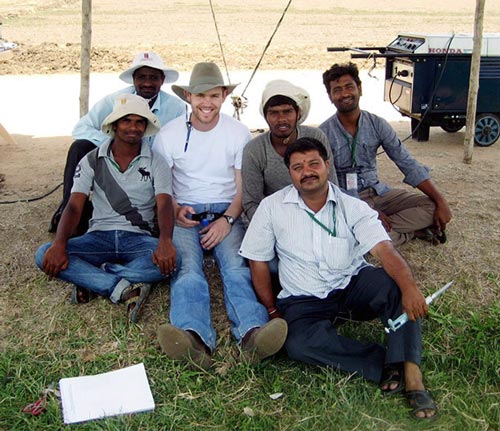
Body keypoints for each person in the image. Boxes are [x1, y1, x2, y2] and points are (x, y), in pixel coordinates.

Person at [240, 137, 438, 420]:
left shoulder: (352, 206)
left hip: (351, 284)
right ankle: (384, 362)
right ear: (290, 173)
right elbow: (257, 261)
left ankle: (413, 378)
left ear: (327, 165)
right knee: (297, 344)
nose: (307, 171)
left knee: (395, 288)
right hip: (302, 296)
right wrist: (272, 310)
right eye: (297, 167)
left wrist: (410, 287)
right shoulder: (272, 207)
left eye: (313, 163)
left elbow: (384, 250)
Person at [152, 62, 287, 369]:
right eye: (200, 96)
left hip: (227, 211)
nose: (207, 103)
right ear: (188, 96)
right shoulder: (169, 134)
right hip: (185, 212)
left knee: (237, 267)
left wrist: (227, 220)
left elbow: (244, 187)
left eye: (213, 95)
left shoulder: (238, 133)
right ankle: (193, 337)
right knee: (186, 270)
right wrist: (174, 210)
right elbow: (162, 187)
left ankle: (253, 332)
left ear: (224, 96)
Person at [35, 94, 177, 323]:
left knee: (173, 260)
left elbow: (164, 205)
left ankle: (93, 280)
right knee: (44, 254)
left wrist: (166, 242)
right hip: (98, 237)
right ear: (114, 125)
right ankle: (120, 287)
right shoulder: (91, 159)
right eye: (126, 121)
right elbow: (73, 206)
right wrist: (60, 243)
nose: (133, 127)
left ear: (145, 127)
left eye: (139, 122)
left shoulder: (156, 161)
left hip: (139, 240)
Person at [49, 51, 185, 235]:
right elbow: (81, 128)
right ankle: (70, 210)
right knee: (79, 147)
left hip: (155, 163)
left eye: (153, 77)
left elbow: (184, 141)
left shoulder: (177, 107)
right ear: (133, 79)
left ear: (162, 80)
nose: (147, 82)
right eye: (141, 77)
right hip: (116, 159)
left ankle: (158, 213)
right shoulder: (115, 100)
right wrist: (115, 143)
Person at [319, 62, 452, 246]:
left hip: (379, 193)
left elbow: (406, 162)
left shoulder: (377, 124)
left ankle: (377, 232)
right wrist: (366, 212)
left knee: (431, 207)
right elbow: (329, 185)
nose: (344, 94)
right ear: (330, 96)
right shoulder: (323, 134)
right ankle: (407, 233)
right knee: (343, 236)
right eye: (337, 90)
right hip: (346, 201)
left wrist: (440, 200)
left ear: (359, 88)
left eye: (349, 87)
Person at [242, 79, 338, 221]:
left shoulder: (316, 137)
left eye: (287, 111)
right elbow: (251, 203)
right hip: (275, 219)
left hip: (320, 215)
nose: (281, 119)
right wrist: (277, 228)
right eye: (274, 113)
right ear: (266, 116)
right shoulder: (255, 149)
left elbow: (332, 186)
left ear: (298, 113)